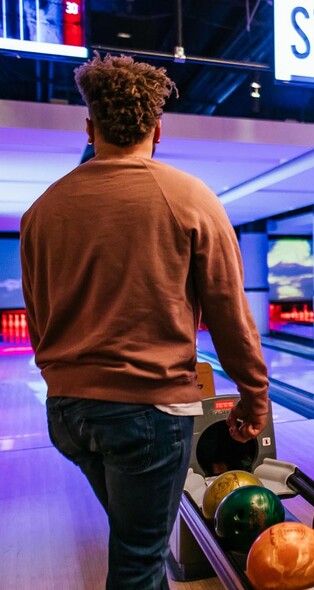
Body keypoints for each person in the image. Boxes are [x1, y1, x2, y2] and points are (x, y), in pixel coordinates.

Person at [20, 54, 269, 590]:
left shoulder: (41, 211)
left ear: (90, 127)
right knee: (138, 562)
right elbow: (230, 315)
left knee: (141, 548)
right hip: (147, 415)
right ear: (159, 128)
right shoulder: (189, 197)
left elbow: (38, 322)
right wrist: (255, 397)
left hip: (69, 415)